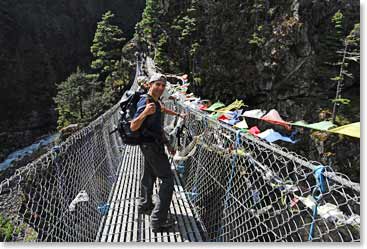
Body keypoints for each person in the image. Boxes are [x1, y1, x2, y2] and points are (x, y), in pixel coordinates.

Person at [130, 73, 185, 232]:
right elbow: (133, 126)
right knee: (167, 180)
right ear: (150, 84)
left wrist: (167, 143)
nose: (160, 87)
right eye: (157, 84)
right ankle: (157, 221)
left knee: (149, 175)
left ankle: (145, 205)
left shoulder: (156, 101)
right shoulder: (146, 101)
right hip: (151, 146)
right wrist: (145, 113)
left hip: (151, 144)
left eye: (163, 85)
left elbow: (161, 115)